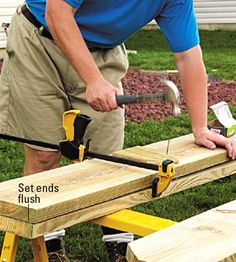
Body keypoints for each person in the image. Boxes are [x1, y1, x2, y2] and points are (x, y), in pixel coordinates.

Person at [0, 0, 235, 261]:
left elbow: (188, 55)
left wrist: (200, 127)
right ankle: (49, 245)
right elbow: (57, 12)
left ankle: (119, 248)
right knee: (43, 154)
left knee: (110, 160)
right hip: (39, 41)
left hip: (102, 51)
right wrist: (92, 80)